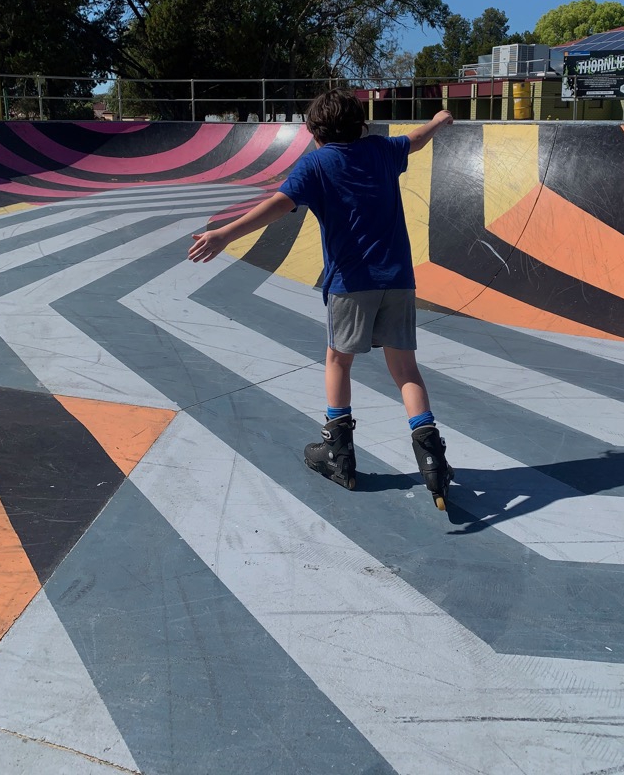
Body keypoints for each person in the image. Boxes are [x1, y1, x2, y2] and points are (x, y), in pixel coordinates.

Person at [188, 90, 455, 510]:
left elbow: (278, 206)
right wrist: (440, 121)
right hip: (399, 279)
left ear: (313, 132)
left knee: (338, 360)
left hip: (351, 284)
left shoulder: (315, 164)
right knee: (406, 370)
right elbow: (416, 139)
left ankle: (339, 453)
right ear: (361, 124)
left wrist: (224, 234)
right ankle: (433, 460)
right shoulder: (382, 150)